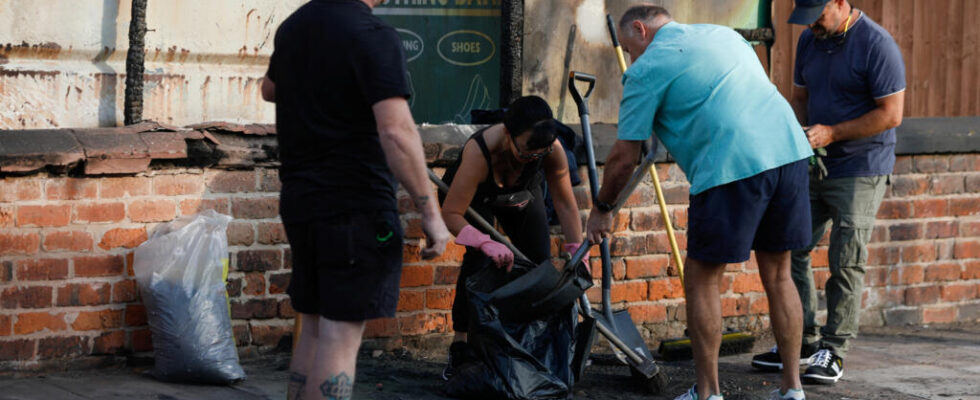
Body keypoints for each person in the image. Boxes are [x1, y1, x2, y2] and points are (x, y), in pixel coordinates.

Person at [586, 5, 814, 400]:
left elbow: (625, 156)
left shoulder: (645, 69)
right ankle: (792, 389)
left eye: (631, 47)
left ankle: (708, 394)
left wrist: (602, 208)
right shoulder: (723, 34)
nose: (633, 57)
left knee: (703, 276)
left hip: (730, 163)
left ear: (641, 29)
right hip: (790, 152)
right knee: (779, 273)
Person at [261, 0, 451, 399]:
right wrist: (430, 211)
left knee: (312, 326)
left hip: (301, 198)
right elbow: (397, 132)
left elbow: (270, 88)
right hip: (355, 203)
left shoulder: (296, 25)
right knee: (339, 335)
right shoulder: (374, 36)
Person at [750, 0, 905, 385]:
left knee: (846, 258)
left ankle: (833, 350)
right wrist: (798, 140)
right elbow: (800, 98)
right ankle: (801, 340)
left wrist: (833, 132)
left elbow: (891, 114)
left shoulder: (876, 44)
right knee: (793, 245)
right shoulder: (810, 41)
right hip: (814, 160)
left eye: (818, 15)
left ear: (840, 3)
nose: (812, 25)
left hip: (861, 166)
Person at [439, 95, 586, 380]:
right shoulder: (480, 153)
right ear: (508, 133)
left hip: (519, 196)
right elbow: (451, 213)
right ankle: (461, 346)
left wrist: (576, 248)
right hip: (470, 200)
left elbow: (566, 205)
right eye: (526, 153)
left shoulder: (550, 150)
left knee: (539, 264)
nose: (533, 158)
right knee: (479, 261)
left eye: (539, 155)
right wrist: (484, 241)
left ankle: (526, 344)